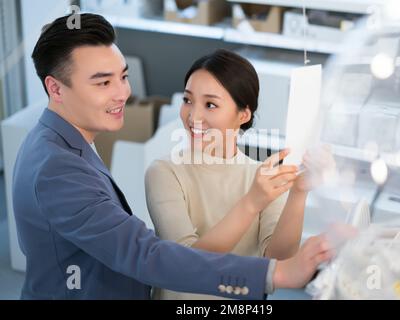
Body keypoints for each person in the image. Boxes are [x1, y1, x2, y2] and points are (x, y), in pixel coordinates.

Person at [12, 13, 334, 300]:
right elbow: (146, 256)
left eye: (123, 77)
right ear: (55, 89)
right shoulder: (59, 168)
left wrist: (297, 193)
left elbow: (275, 250)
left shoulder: (64, 142)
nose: (123, 93)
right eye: (103, 82)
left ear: (244, 114)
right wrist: (275, 274)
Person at [146, 49, 335, 299]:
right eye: (188, 100)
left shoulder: (261, 177)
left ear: (243, 114)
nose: (193, 116)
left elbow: (279, 259)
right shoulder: (164, 172)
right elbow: (187, 265)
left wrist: (298, 192)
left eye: (210, 104)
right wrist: (252, 202)